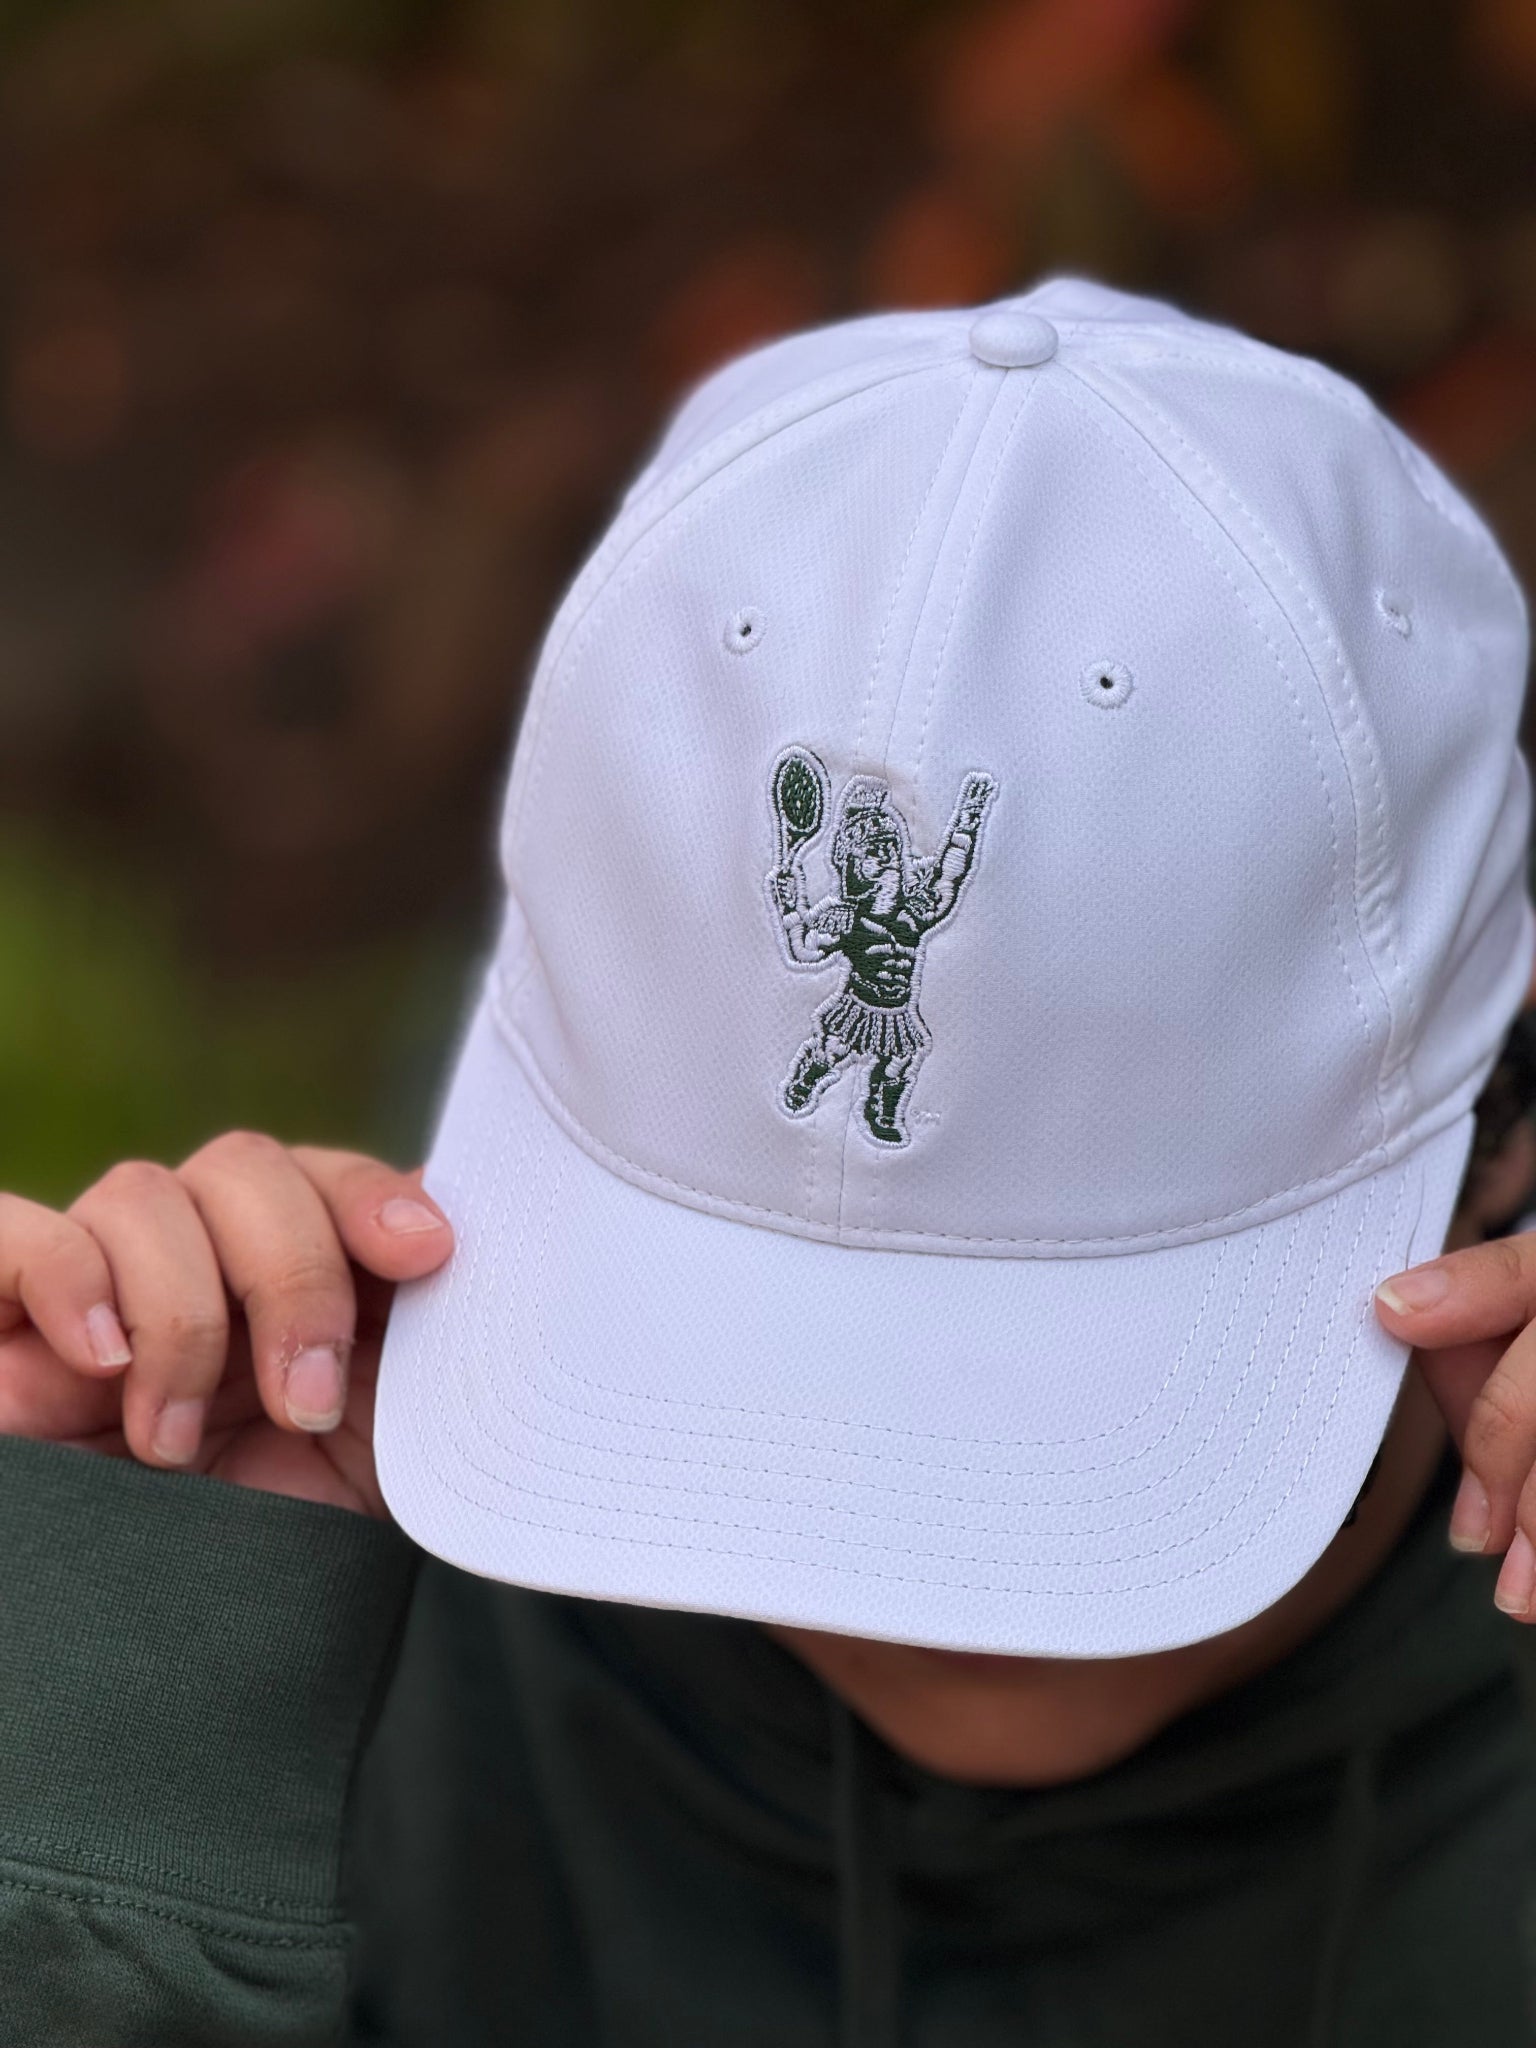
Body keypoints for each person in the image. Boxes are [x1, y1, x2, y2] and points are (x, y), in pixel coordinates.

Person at [4, 280, 1536, 2048]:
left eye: (1059, 1381)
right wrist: (107, 1800)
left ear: (1500, 1142)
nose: (907, 1572)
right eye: (748, 1362)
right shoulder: (327, 1642)